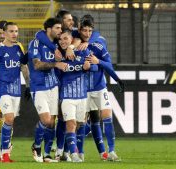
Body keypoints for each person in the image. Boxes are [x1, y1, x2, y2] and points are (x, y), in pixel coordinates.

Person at [79, 17, 122, 162]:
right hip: (82, 89)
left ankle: (111, 151)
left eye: (90, 30)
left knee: (107, 115)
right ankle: (77, 151)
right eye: (84, 30)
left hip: (99, 87)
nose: (87, 33)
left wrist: (98, 63)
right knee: (81, 123)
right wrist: (93, 66)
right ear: (80, 30)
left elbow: (108, 64)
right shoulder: (75, 44)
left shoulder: (98, 44)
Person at [0, 22, 28, 163]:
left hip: (16, 90)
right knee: (8, 118)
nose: (14, 34)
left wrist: (28, 85)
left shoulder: (17, 48)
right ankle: (5, 155)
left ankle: (3, 153)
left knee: (10, 121)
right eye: (11, 31)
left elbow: (24, 64)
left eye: (16, 31)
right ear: (4, 33)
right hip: (2, 89)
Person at [28, 17, 68, 163]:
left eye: (60, 28)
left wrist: (68, 47)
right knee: (45, 120)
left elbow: (70, 39)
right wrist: (55, 64)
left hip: (53, 87)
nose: (60, 31)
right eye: (57, 28)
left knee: (52, 123)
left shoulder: (56, 44)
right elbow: (37, 65)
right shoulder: (35, 43)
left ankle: (47, 155)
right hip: (39, 87)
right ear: (48, 29)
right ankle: (36, 146)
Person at [57, 30, 98, 162]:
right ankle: (73, 154)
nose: (62, 41)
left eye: (65, 39)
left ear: (71, 41)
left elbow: (95, 67)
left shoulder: (83, 52)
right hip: (67, 96)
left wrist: (89, 67)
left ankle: (71, 151)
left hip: (82, 96)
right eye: (60, 39)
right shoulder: (58, 55)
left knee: (81, 125)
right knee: (71, 124)